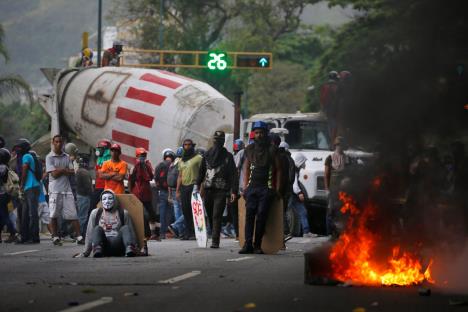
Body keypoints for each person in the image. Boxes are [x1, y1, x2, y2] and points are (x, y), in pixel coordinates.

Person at [239, 121, 282, 254]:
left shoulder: (272, 150)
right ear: (254, 134)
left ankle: (257, 245)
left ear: (266, 134)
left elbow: (279, 170)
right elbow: (246, 168)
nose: (259, 135)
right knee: (250, 216)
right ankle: (247, 245)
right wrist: (245, 187)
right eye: (257, 133)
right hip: (252, 188)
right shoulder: (249, 149)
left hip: (266, 188)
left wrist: (277, 189)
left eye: (262, 133)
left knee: (262, 215)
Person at [195, 131, 238, 248]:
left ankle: (215, 240)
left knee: (216, 215)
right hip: (208, 190)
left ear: (223, 141)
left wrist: (233, 191)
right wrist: (196, 186)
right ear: (213, 140)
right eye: (216, 139)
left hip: (221, 190)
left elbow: (233, 174)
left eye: (220, 140)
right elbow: (201, 172)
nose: (217, 142)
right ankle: (213, 234)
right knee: (210, 215)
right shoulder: (207, 155)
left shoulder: (228, 157)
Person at [46, 135, 84, 245]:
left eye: (60, 142)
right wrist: (64, 170)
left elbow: (72, 171)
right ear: (53, 143)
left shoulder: (66, 156)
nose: (58, 144)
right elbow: (54, 174)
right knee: (54, 214)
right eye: (56, 142)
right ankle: (55, 236)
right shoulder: (49, 157)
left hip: (67, 190)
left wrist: (60, 170)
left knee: (73, 214)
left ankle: (79, 236)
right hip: (54, 190)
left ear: (63, 143)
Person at [78, 189, 138, 257]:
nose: (107, 201)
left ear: (114, 200)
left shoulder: (123, 213)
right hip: (103, 246)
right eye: (104, 199)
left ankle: (130, 249)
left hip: (118, 246)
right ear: (101, 201)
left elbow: (131, 233)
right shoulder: (95, 213)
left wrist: (136, 250)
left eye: (110, 198)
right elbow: (89, 232)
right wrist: (86, 252)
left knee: (126, 228)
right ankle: (97, 250)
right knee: (97, 229)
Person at [13, 139, 41, 244]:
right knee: (25, 213)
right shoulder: (29, 156)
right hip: (30, 188)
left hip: (31, 187)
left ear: (24, 148)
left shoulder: (26, 156)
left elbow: (24, 170)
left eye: (19, 147)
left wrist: (21, 185)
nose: (18, 149)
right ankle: (25, 236)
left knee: (32, 213)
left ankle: (34, 237)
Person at [176, 139, 203, 240]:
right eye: (185, 145)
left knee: (195, 211)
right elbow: (180, 176)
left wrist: (201, 189)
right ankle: (189, 232)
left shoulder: (198, 158)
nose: (187, 147)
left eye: (189, 145)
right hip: (184, 187)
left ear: (192, 146)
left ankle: (197, 233)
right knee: (186, 210)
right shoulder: (181, 160)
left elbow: (203, 174)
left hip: (194, 186)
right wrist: (178, 190)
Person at [324, 136, 351, 237]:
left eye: (342, 145)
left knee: (343, 210)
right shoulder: (330, 158)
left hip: (344, 190)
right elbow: (326, 175)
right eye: (338, 145)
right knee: (331, 211)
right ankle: (329, 232)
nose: (340, 147)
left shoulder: (347, 158)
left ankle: (341, 232)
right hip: (332, 190)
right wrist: (327, 189)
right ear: (335, 145)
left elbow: (349, 173)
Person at [129, 147, 157, 240]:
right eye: (141, 155)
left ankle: (153, 233)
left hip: (147, 193)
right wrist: (130, 193)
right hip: (138, 193)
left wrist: (148, 165)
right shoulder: (134, 167)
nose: (143, 157)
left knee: (151, 213)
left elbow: (152, 176)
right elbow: (130, 180)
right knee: (143, 214)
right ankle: (144, 233)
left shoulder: (147, 165)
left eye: (144, 155)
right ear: (137, 156)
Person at [290, 153, 315, 238]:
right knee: (302, 211)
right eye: (304, 162)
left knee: (301, 211)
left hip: (291, 194)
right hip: (293, 195)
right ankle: (306, 231)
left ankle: (305, 231)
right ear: (300, 161)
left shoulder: (294, 168)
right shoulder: (295, 169)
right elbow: (294, 184)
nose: (305, 164)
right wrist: (299, 193)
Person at [153, 148, 175, 239]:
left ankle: (162, 233)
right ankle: (167, 231)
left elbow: (155, 177)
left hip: (162, 191)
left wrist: (159, 188)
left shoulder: (159, 165)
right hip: (171, 192)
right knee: (169, 212)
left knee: (162, 212)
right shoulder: (174, 165)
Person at [0, 147, 18, 243]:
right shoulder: (5, 166)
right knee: (2, 214)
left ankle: (12, 233)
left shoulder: (2, 167)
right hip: (5, 194)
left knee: (4, 215)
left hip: (2, 194)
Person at [167, 147, 185, 238]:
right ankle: (175, 226)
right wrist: (179, 191)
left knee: (177, 211)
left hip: (173, 190)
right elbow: (180, 178)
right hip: (180, 190)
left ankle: (180, 232)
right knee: (186, 211)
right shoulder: (182, 163)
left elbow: (169, 181)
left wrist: (170, 194)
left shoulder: (172, 164)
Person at [320, 71, 340, 144]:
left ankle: (330, 143)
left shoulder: (325, 86)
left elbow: (322, 99)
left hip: (327, 111)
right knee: (334, 128)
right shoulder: (337, 86)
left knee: (328, 128)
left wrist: (323, 110)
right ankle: (332, 144)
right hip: (334, 112)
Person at [75, 157, 93, 237]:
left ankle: (77, 233)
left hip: (78, 195)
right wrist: (91, 194)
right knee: (83, 216)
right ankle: (80, 234)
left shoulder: (78, 171)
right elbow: (88, 186)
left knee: (80, 215)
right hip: (84, 196)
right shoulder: (85, 172)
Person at [92, 139, 112, 212]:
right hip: (98, 186)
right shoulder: (99, 159)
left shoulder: (109, 160)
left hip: (105, 187)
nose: (98, 150)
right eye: (98, 148)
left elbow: (102, 174)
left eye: (100, 148)